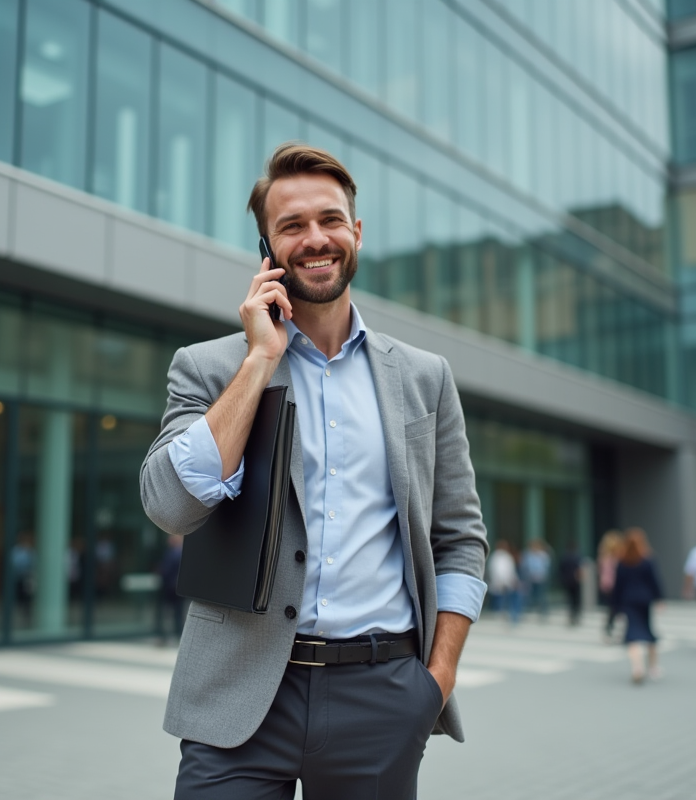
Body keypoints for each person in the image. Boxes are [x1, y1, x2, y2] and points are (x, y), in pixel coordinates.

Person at [140, 143, 489, 799]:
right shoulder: (208, 366)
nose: (315, 238)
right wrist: (258, 363)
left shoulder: (423, 378)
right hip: (235, 696)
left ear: (355, 232)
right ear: (267, 250)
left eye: (329, 219)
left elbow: (460, 539)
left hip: (380, 695)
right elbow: (170, 506)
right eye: (291, 225)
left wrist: (434, 681)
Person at [611, 528, 663, 684]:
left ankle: (637, 667)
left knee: (632, 634)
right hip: (645, 599)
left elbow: (617, 586)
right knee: (648, 630)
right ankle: (653, 667)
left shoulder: (622, 561)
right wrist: (659, 598)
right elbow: (655, 581)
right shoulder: (647, 560)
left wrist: (616, 606)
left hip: (629, 600)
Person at [154, 533, 184, 645]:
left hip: (172, 588)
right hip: (170, 588)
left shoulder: (177, 553)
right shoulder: (171, 552)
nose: (169, 540)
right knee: (172, 613)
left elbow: (169, 570)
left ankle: (175, 635)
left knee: (174, 613)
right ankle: (169, 635)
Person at [487, 539, 521, 626]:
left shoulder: (506, 556)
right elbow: (496, 571)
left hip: (508, 582)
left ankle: (511, 617)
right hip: (500, 583)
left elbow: (510, 571)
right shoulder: (496, 557)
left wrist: (514, 580)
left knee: (509, 600)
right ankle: (501, 615)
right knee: (500, 600)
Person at [598, 530, 623, 640]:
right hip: (614, 585)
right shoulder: (612, 557)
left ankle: (609, 627)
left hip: (608, 585)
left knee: (613, 608)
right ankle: (610, 627)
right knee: (615, 608)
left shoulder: (604, 556)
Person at [522, 539, 551, 619]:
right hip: (531, 578)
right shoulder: (528, 555)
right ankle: (529, 609)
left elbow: (546, 567)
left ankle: (543, 611)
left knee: (541, 595)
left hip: (540, 578)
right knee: (530, 594)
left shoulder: (543, 555)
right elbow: (525, 566)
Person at [557, 543, 583, 627]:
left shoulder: (564, 558)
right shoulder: (577, 557)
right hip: (575, 581)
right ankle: (575, 615)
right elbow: (579, 570)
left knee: (570, 600)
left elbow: (560, 570)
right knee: (576, 600)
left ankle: (571, 616)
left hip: (567, 581)